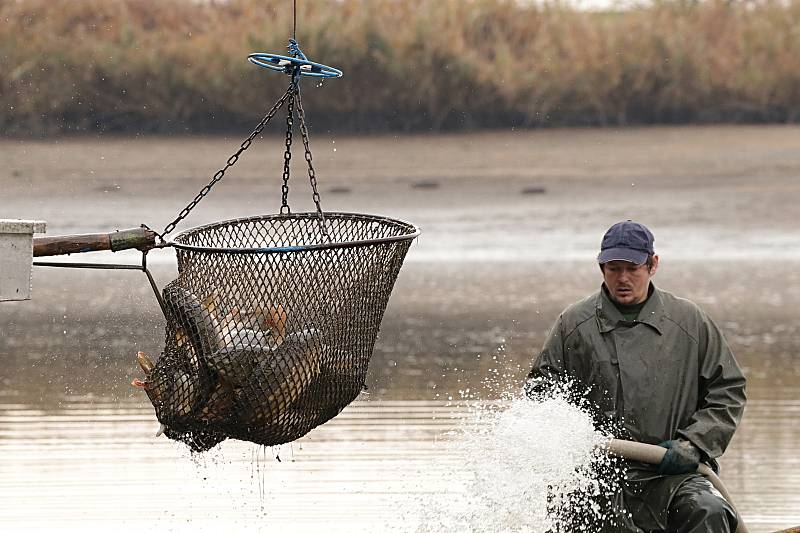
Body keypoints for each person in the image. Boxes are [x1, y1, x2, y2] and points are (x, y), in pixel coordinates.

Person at [526, 220, 747, 533]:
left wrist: (694, 444)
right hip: (596, 473)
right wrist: (567, 438)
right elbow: (540, 393)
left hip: (673, 474)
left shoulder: (689, 321)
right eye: (614, 268)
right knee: (569, 508)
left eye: (632, 268)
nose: (623, 278)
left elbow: (728, 389)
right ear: (601, 267)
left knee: (709, 508)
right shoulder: (574, 324)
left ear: (653, 264)